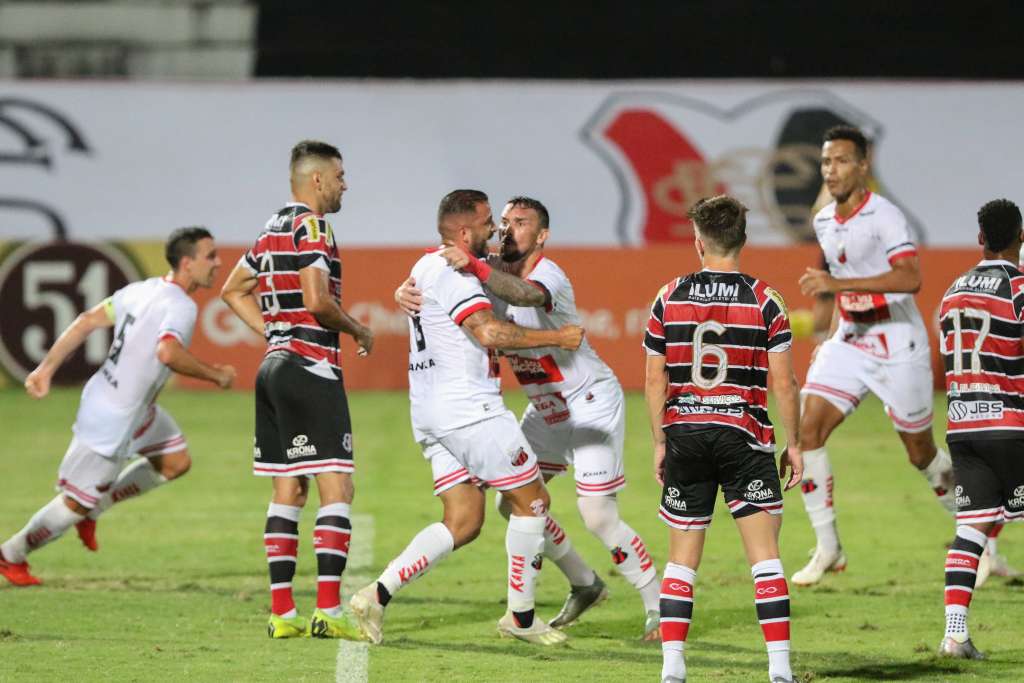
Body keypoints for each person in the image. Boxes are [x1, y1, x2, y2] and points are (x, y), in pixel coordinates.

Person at [395, 196, 661, 638]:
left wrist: (478, 268)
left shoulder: (545, 273)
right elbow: (445, 281)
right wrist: (401, 290)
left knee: (596, 514)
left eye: (521, 223)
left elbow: (527, 294)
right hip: (548, 410)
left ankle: (658, 604)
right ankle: (584, 582)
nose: (508, 229)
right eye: (504, 222)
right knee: (512, 501)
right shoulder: (487, 272)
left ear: (541, 236)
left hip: (590, 399)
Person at [349, 189, 584, 646]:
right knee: (533, 500)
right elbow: (489, 330)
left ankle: (375, 596)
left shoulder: (426, 264)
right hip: (468, 410)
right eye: (486, 222)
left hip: (430, 412)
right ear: (462, 231)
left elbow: (498, 285)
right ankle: (520, 617)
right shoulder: (455, 275)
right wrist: (559, 336)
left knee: (464, 520)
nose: (494, 229)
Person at [0, 227, 234, 586]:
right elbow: (168, 352)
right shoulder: (180, 306)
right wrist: (215, 375)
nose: (218, 263)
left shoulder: (141, 290)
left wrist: (45, 368)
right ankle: (11, 554)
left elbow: (86, 321)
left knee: (175, 462)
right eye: (210, 256)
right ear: (187, 264)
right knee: (73, 504)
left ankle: (96, 508)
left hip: (133, 408)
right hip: (113, 419)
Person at [644, 195, 802, 683]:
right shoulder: (766, 299)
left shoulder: (668, 296)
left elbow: (655, 379)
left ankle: (673, 669)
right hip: (745, 437)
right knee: (765, 560)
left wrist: (659, 442)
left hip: (686, 436)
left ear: (698, 241)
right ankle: (779, 671)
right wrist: (793, 444)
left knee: (681, 561)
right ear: (743, 240)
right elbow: (784, 383)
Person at [220, 140, 373, 640]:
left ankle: (282, 614)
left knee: (288, 488)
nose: (346, 184)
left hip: (273, 369)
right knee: (337, 486)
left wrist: (272, 334)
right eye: (341, 175)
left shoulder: (269, 230)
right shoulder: (312, 226)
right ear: (318, 180)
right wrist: (357, 329)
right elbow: (317, 299)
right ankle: (328, 610)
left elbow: (232, 290)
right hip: (311, 366)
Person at [794, 125, 955, 586]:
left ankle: (975, 533)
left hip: (897, 341)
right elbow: (834, 281)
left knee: (920, 453)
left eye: (842, 161)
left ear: (863, 166)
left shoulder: (886, 217)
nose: (832, 170)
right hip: (850, 338)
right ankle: (829, 547)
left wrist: (837, 287)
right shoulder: (824, 219)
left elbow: (909, 279)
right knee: (808, 430)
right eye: (826, 162)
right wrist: (825, 333)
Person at [936, 198, 1024, 659]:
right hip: (1012, 424)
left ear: (979, 239)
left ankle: (954, 634)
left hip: (964, 426)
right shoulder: (1019, 287)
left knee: (970, 528)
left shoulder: (952, 291)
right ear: (1021, 238)